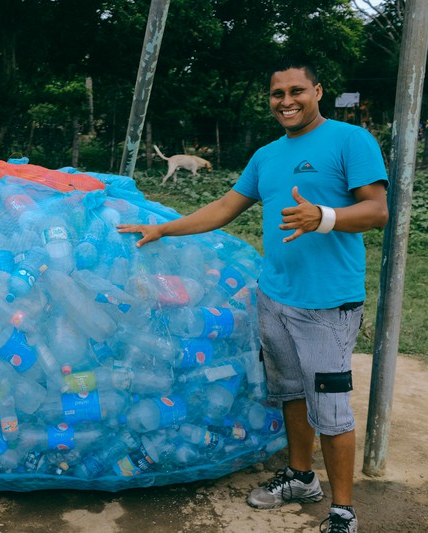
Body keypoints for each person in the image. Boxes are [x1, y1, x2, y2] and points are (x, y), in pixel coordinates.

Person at [118, 56, 388, 533]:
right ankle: (301, 477)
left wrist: (322, 217)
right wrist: (163, 228)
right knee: (290, 393)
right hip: (275, 297)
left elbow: (376, 210)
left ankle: (343, 511)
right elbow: (225, 207)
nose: (286, 101)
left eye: (296, 91)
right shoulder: (267, 156)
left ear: (318, 91)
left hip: (328, 303)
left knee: (331, 406)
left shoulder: (350, 140)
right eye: (277, 94)